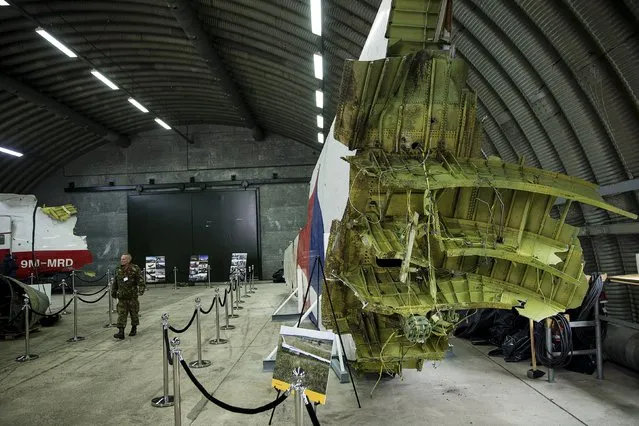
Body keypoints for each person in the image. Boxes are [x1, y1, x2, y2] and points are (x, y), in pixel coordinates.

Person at [111, 253, 144, 339]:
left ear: (129, 260)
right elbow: (115, 281)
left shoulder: (135, 268)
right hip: (121, 296)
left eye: (124, 259)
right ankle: (121, 332)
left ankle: (134, 328)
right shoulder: (118, 269)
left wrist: (141, 289)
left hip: (132, 296)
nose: (121, 260)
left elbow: (140, 280)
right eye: (121, 259)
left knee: (134, 313)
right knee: (121, 314)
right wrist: (113, 291)